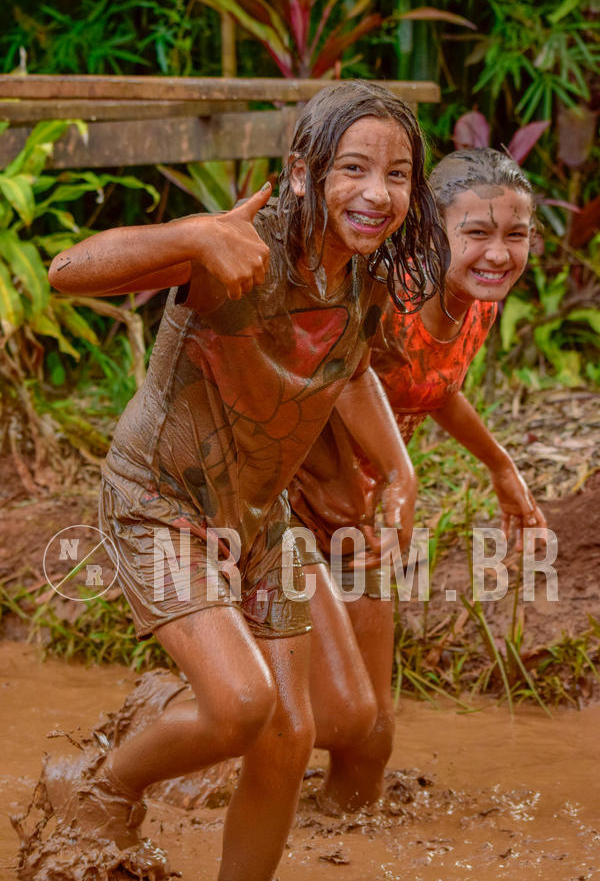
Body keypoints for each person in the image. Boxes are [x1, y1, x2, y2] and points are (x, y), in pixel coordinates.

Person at [39, 82, 448, 881]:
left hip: (260, 522)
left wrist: (398, 471)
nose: (377, 192)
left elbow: (350, 366)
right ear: (302, 173)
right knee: (241, 707)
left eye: (397, 175)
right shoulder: (243, 249)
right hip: (160, 504)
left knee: (295, 737)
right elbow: (66, 272)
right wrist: (192, 236)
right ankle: (101, 782)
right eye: (353, 169)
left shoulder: (362, 272)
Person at [289, 147, 547, 815]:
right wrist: (382, 491)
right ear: (432, 232)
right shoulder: (382, 300)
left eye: (515, 234)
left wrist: (500, 466)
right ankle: (181, 748)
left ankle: (333, 842)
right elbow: (330, 391)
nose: (498, 254)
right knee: (333, 716)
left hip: (364, 518)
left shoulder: (474, 305)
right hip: (294, 506)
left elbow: (432, 389)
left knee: (368, 745)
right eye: (478, 234)